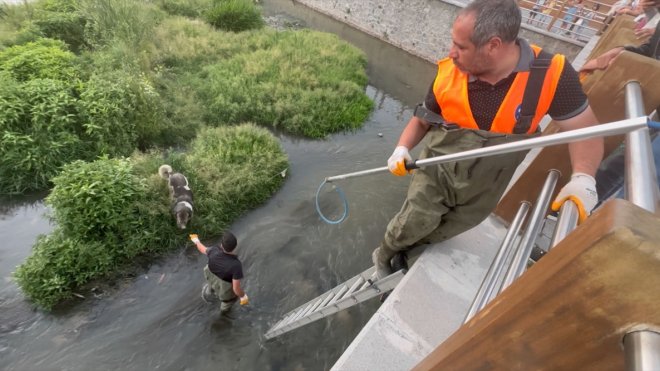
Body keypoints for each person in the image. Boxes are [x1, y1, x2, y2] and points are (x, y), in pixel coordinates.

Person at [372, 0, 603, 279]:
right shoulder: (448, 73)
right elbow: (422, 119)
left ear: (493, 45)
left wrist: (583, 179)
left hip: (486, 186)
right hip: (438, 171)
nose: (451, 53)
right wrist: (401, 148)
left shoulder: (551, 74)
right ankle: (384, 258)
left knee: (452, 227)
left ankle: (408, 255)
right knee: (413, 221)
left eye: (461, 46)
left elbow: (585, 129)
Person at [190, 231, 249, 314]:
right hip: (224, 288)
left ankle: (209, 292)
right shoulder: (236, 265)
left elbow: (201, 248)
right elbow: (236, 289)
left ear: (221, 245)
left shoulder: (214, 250)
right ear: (235, 246)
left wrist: (196, 240)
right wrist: (243, 296)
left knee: (212, 286)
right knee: (227, 303)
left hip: (211, 278)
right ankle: (224, 313)